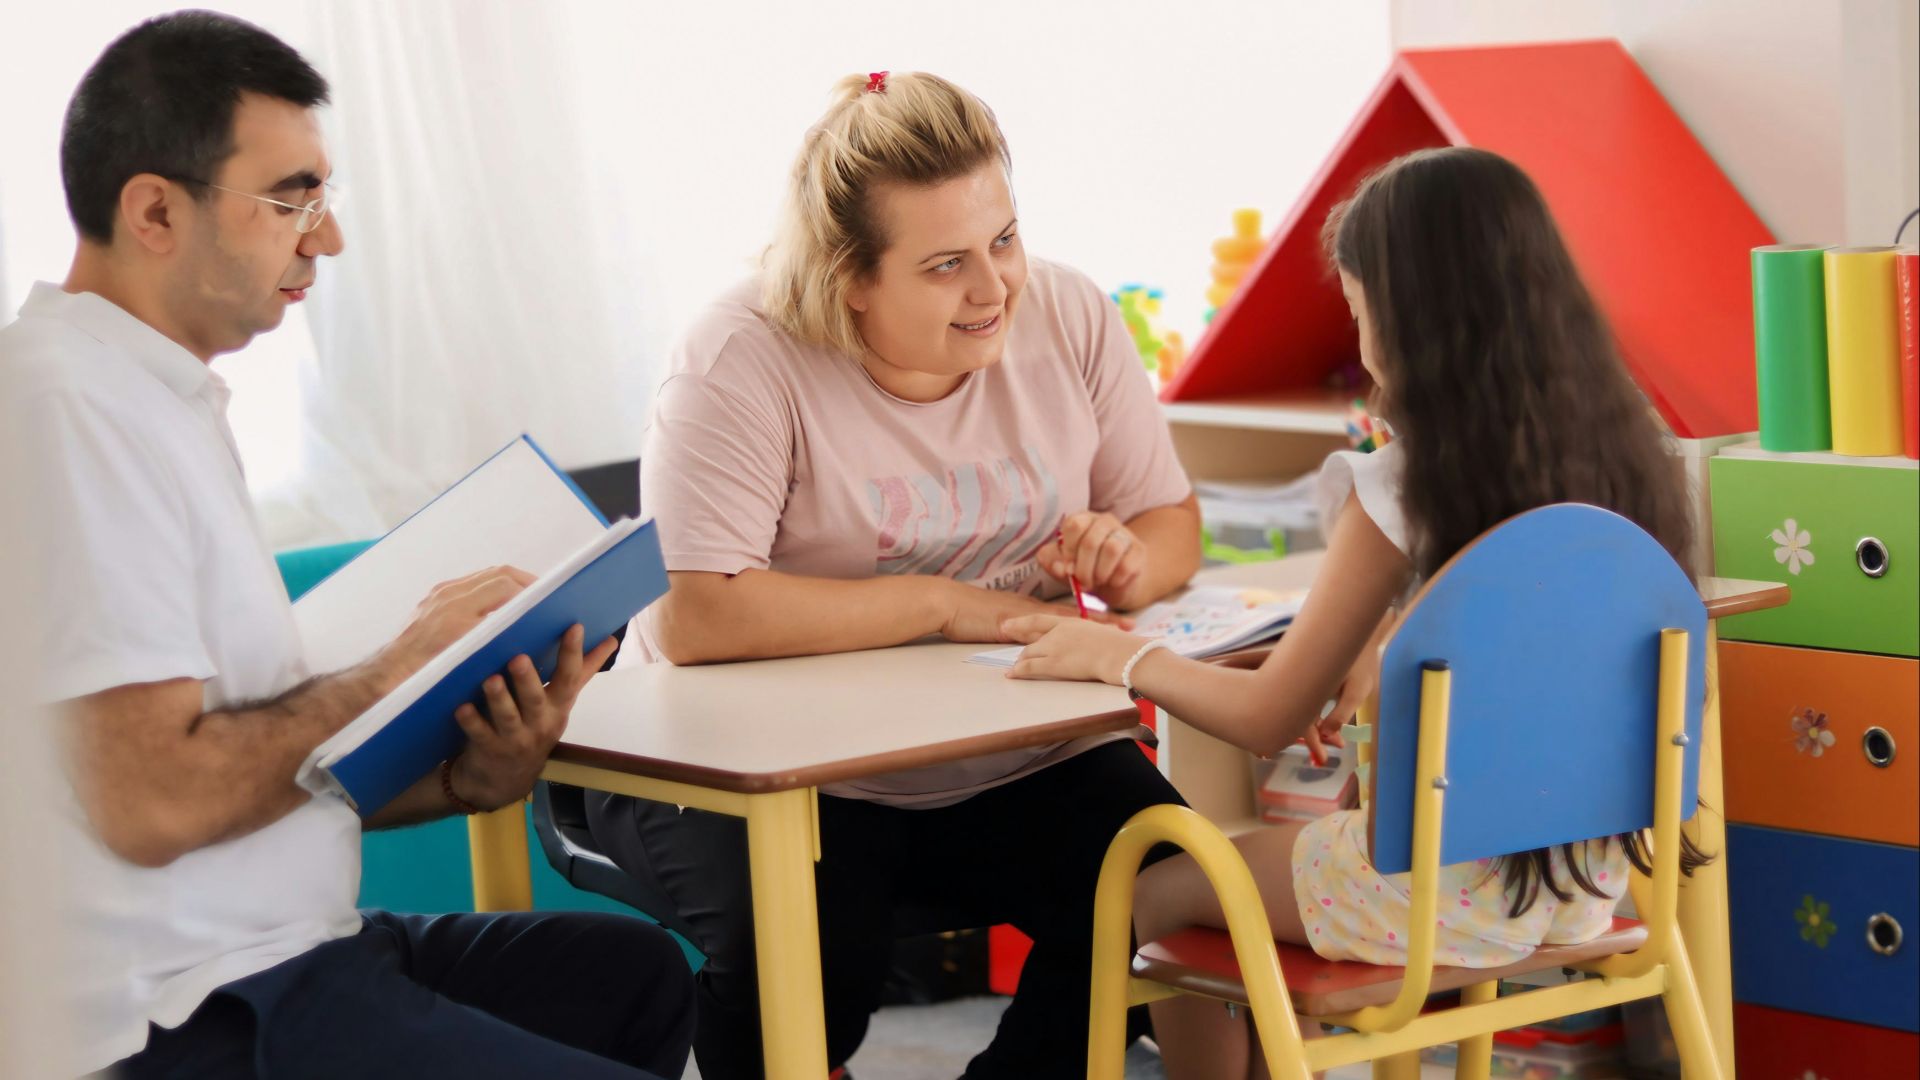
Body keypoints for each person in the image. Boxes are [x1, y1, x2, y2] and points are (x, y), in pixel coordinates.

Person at [0, 13, 693, 1078]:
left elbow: (243, 761)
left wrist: (463, 781)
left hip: (294, 947)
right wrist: (399, 661)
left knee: (633, 978)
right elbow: (155, 802)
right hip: (191, 1008)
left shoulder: (158, 397)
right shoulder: (65, 413)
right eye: (291, 199)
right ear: (153, 210)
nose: (324, 238)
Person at [1001, 146, 1705, 1079]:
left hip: (1434, 894)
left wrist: (1116, 658)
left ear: (1409, 320)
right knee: (1248, 880)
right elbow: (1522, 634)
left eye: (1359, 310)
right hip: (1586, 886)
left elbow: (1267, 720)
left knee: (1153, 881)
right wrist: (1386, 640)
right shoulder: (1631, 463)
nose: (1361, 337)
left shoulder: (1403, 482)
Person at [586, 71, 1200, 1078]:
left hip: (999, 749)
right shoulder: (740, 353)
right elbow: (698, 613)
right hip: (757, 766)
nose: (996, 288)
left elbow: (1171, 521)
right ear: (849, 278)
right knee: (810, 971)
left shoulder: (1071, 314)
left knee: (1166, 886)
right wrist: (948, 607)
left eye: (1005, 240)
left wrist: (1126, 566)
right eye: (946, 263)